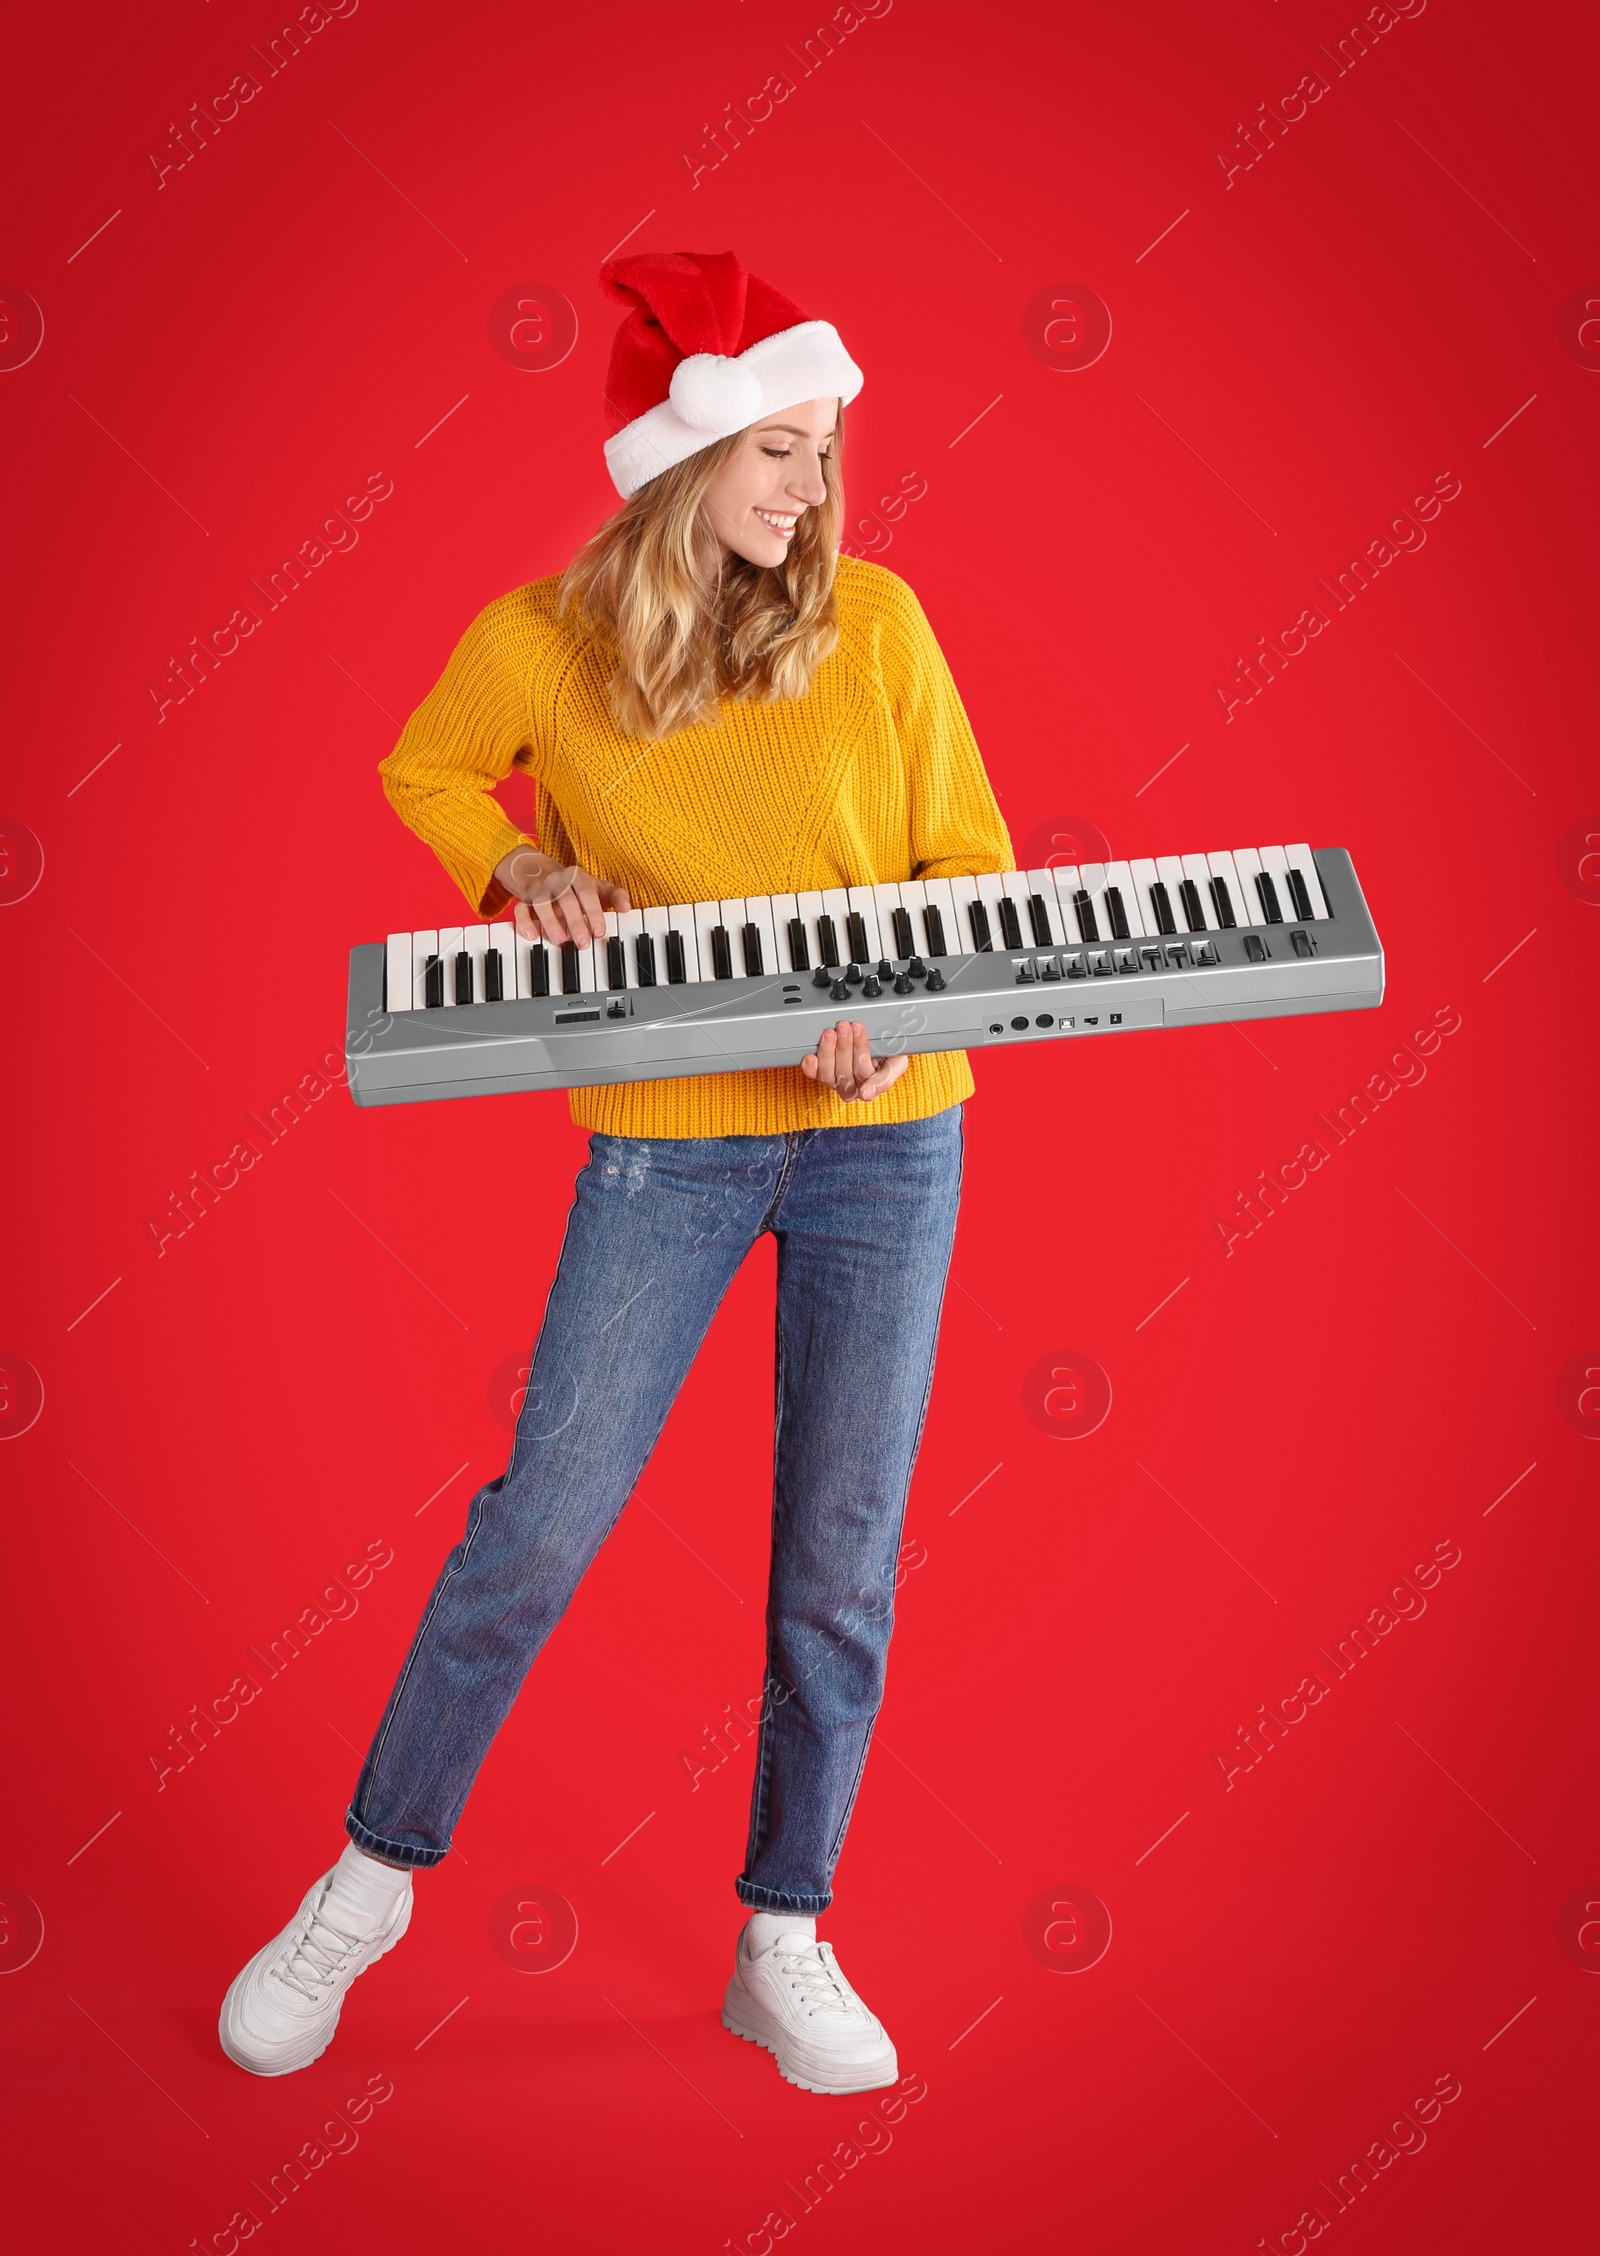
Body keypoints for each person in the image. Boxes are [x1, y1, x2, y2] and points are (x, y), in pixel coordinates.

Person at [219, 248, 1012, 2094]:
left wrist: (893, 1004)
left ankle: (784, 1932)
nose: (810, 493)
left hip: (889, 1133)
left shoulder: (877, 625)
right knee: (539, 1528)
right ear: (688, 457)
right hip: (669, 1148)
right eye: (780, 453)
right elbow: (430, 775)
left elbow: (965, 859)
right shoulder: (541, 645)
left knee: (841, 1562)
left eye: (827, 455)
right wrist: (515, 872)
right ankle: (367, 1888)